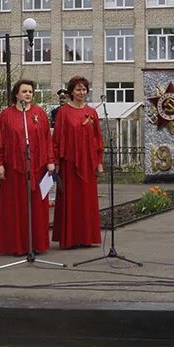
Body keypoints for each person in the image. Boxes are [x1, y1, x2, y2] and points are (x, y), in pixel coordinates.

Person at [0, 79, 55, 255]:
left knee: (36, 207)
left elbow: (46, 139)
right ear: (16, 94)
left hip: (38, 167)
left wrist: (50, 160)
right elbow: (0, 141)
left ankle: (36, 244)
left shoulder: (39, 113)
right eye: (24, 91)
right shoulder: (6, 115)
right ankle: (16, 245)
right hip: (14, 169)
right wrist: (0, 163)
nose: (28, 94)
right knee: (16, 207)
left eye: (30, 91)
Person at [52, 76, 103, 248]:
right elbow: (57, 137)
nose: (81, 93)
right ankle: (70, 238)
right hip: (69, 164)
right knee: (71, 200)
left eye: (84, 89)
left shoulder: (92, 112)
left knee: (87, 200)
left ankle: (86, 237)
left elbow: (97, 138)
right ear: (71, 92)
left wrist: (99, 161)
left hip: (88, 164)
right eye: (78, 89)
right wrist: (56, 160)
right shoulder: (63, 112)